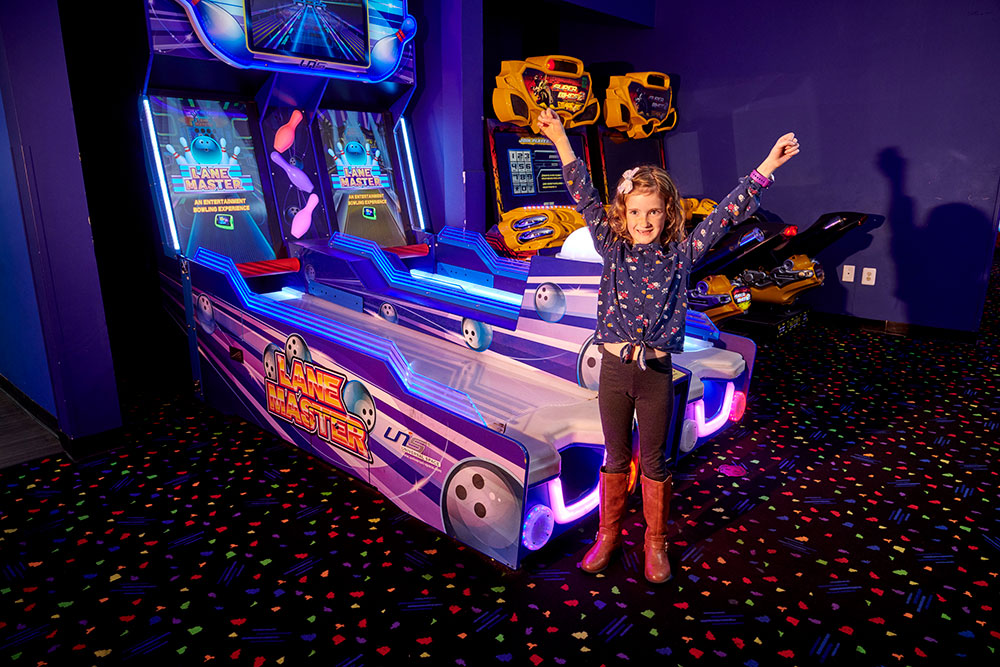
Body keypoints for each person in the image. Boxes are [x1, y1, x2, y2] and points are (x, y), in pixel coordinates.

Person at [536, 107, 800, 583]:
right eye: (635, 212)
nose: (644, 220)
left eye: (653, 211)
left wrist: (767, 168)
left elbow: (725, 215)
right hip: (615, 372)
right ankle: (608, 536)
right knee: (615, 457)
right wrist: (558, 136)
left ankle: (655, 542)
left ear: (667, 212)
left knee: (655, 460)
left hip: (656, 374)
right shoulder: (611, 246)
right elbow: (584, 193)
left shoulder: (681, 254)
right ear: (623, 215)